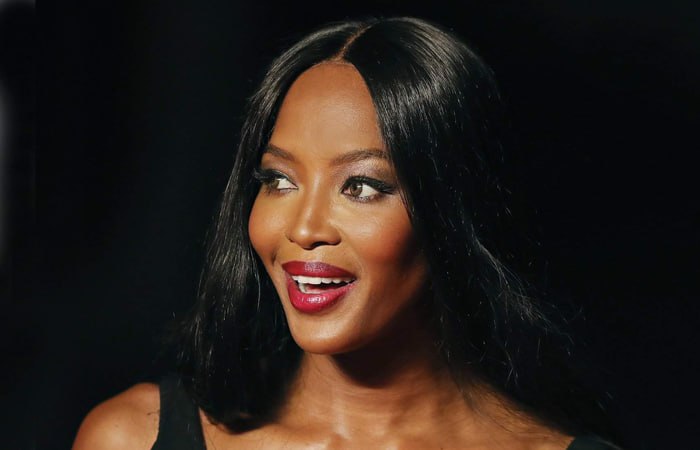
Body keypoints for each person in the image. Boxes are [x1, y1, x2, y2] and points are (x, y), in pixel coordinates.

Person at [73, 17, 621, 449]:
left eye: (361, 186)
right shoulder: (132, 437)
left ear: (452, 213)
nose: (305, 228)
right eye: (279, 180)